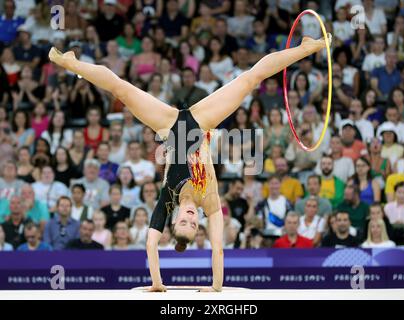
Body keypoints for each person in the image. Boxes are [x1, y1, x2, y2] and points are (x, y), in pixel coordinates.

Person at [49, 33, 330, 292]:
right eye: (194, 225)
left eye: (184, 221)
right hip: (201, 122)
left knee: (120, 89)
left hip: (169, 126)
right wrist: (215, 286)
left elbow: (150, 245)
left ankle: (72, 63)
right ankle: (308, 48)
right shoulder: (210, 203)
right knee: (250, 79)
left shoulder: (166, 200)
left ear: (174, 220)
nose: (191, 219)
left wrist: (157, 284)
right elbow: (218, 249)